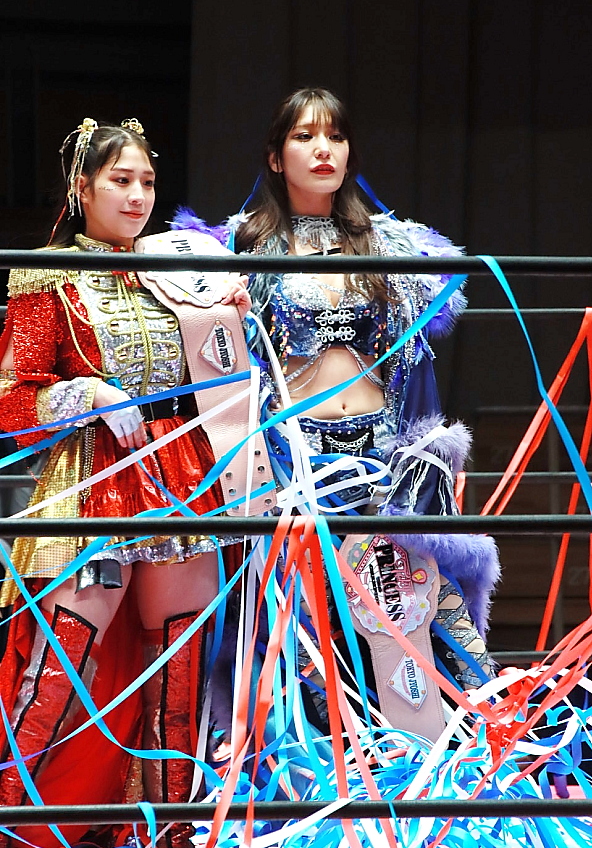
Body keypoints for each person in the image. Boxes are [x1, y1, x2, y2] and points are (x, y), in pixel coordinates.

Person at [174, 87, 500, 740]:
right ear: (275, 156)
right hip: (295, 462)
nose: (322, 149)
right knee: (301, 630)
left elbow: (421, 349)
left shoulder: (392, 245)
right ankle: (323, 770)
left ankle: (464, 753)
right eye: (304, 136)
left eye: (335, 136)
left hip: (385, 459)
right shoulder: (236, 247)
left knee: (425, 611)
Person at [0, 118, 253, 848]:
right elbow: (10, 402)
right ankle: (12, 832)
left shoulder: (178, 272)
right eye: (120, 180)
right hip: (93, 481)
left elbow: (225, 377)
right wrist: (88, 394)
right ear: (82, 188)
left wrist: (229, 320)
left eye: (147, 181)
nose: (138, 195)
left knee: (179, 669)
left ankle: (169, 846)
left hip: (184, 478)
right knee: (60, 669)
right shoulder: (46, 276)